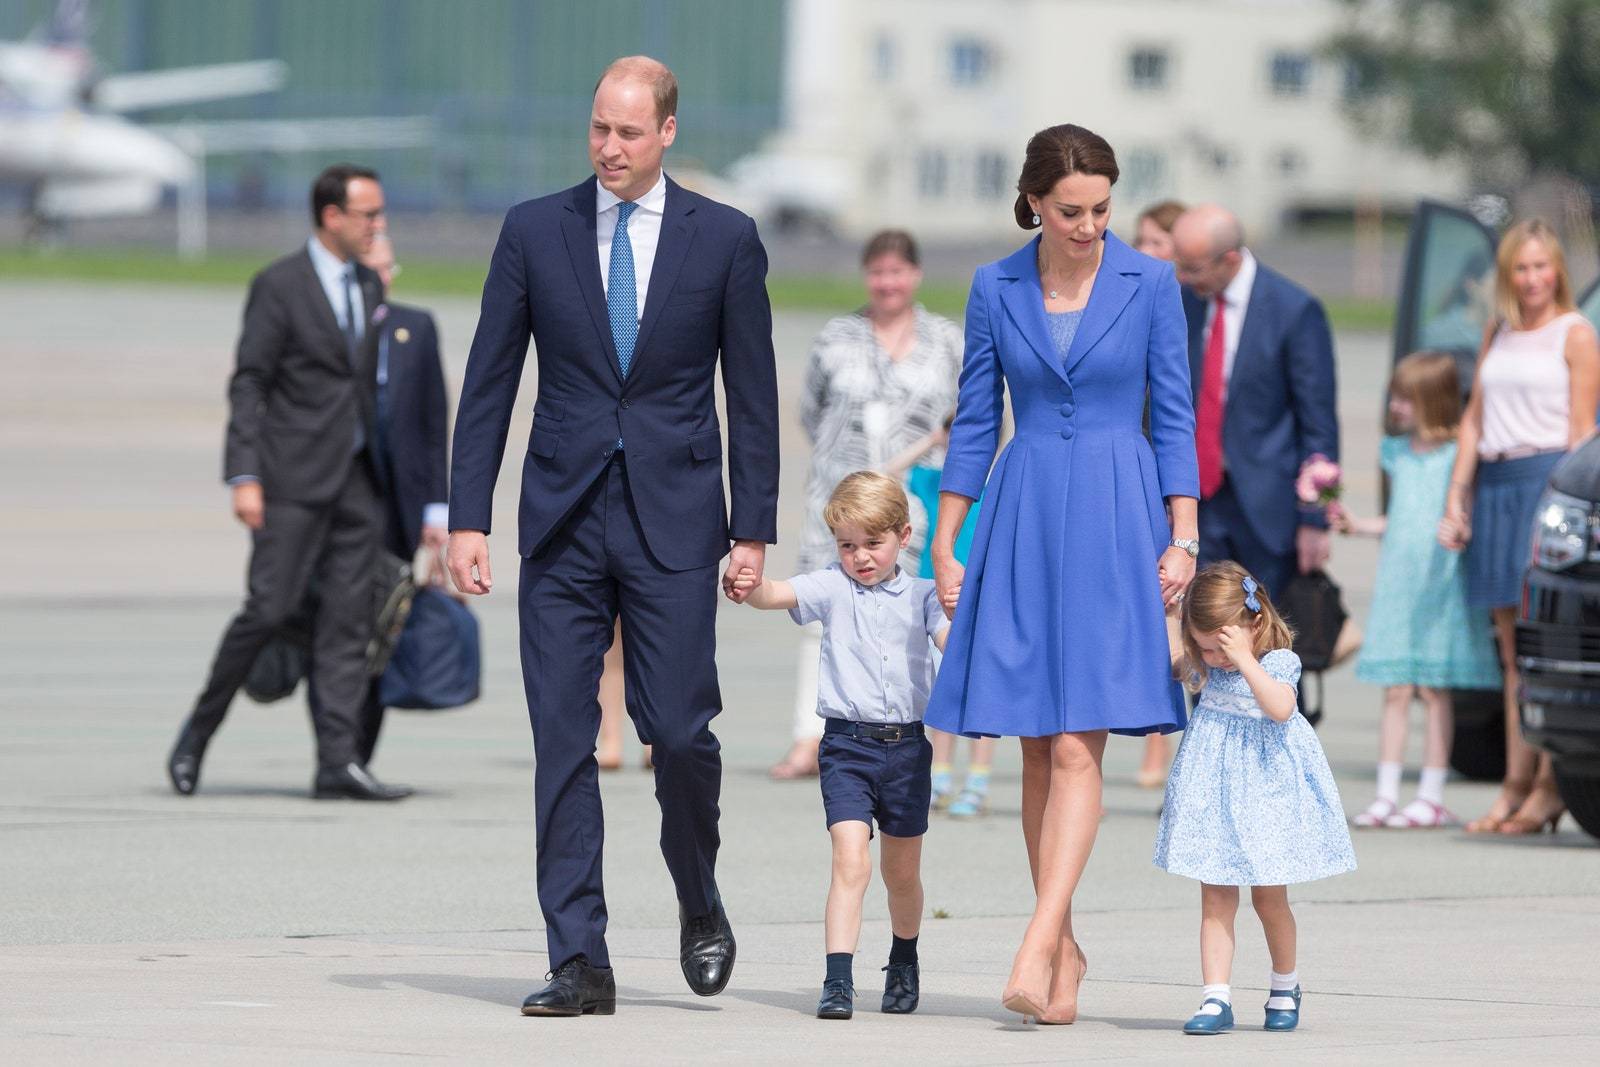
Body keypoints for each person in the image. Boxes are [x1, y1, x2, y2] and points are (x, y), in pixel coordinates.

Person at [445, 56, 779, 1016]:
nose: (609, 148)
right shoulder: (532, 231)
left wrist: (751, 528)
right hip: (560, 520)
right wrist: (469, 514)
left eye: (629, 133)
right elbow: (490, 382)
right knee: (562, 739)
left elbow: (750, 401)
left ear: (667, 131)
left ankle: (697, 890)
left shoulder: (725, 240)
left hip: (676, 523)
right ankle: (579, 957)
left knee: (676, 731)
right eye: (599, 128)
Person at [925, 124, 1199, 1024]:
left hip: (1120, 515)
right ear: (1035, 203)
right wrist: (945, 537)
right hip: (1025, 505)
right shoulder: (993, 285)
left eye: (1103, 209)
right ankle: (1068, 944)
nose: (1090, 226)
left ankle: (1038, 938)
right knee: (1036, 745)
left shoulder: (1151, 282)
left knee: (1082, 741)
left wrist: (1181, 534)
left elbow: (1175, 417)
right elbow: (974, 416)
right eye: (1072, 211)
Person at [166, 164, 412, 802]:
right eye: (368, 215)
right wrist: (244, 475)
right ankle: (198, 732)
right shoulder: (279, 285)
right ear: (332, 216)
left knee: (346, 622)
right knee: (268, 610)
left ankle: (337, 760)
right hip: (291, 481)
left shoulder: (366, 283)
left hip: (356, 483)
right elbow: (250, 383)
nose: (378, 225)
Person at [731, 472, 949, 1020]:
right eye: (848, 546)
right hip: (846, 748)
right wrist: (746, 579)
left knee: (901, 873)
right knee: (850, 861)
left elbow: (952, 639)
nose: (860, 557)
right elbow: (776, 594)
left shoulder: (924, 597)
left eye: (873, 544)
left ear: (903, 536)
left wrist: (965, 610)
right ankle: (838, 978)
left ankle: (903, 957)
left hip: (906, 749)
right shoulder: (831, 586)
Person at [771, 229, 963, 780]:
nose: (888, 283)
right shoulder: (837, 336)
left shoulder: (948, 340)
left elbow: (975, 418)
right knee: (822, 614)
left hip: (915, 506)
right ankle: (810, 737)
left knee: (914, 614)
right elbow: (810, 411)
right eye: (878, 272)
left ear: (916, 275)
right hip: (841, 500)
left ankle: (912, 732)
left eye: (898, 271)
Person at [1439, 219, 1600, 835]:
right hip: (1497, 487)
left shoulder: (1576, 334)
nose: (1533, 279)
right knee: (1510, 654)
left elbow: (1582, 433)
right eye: (1521, 268)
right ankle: (1512, 785)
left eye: (1542, 266)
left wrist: (1567, 515)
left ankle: (1548, 787)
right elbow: (1475, 419)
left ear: (1557, 269)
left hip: (1546, 483)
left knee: (1544, 650)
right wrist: (1457, 496)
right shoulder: (1498, 332)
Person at [1154, 562, 1356, 1035]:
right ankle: (1215, 998)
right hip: (1216, 796)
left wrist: (1243, 658)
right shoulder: (1206, 664)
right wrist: (1171, 617)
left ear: (1255, 623)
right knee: (1216, 899)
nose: (1214, 657)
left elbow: (1282, 708)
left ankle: (1285, 985)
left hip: (1266, 796)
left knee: (1269, 899)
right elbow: (1173, 666)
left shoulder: (1278, 661)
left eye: (1219, 646)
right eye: (1205, 647)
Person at [1335, 352, 1500, 828]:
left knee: (1432, 689)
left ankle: (1430, 791)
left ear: (1432, 400)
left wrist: (1459, 530)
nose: (1397, 406)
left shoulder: (1455, 457)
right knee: (1396, 688)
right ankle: (1387, 793)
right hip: (1399, 583)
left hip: (1437, 584)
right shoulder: (1397, 453)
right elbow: (1401, 519)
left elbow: (1456, 516)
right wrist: (1358, 525)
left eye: (1406, 398)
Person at [1171, 204, 1338, 602]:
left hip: (1267, 507)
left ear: (1229, 259)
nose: (1182, 277)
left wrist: (1316, 518)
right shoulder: (1184, 302)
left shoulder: (1293, 310)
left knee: (1263, 634)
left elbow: (1318, 421)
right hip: (1198, 501)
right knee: (1201, 629)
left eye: (1193, 268)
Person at [1131, 197, 1188, 790]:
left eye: (1157, 242)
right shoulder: (1122, 294)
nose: (1145, 251)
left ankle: (1170, 746)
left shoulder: (1164, 297)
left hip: (1178, 477)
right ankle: (1154, 751)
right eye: (1140, 239)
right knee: (1159, 616)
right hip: (1133, 472)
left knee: (1171, 620)